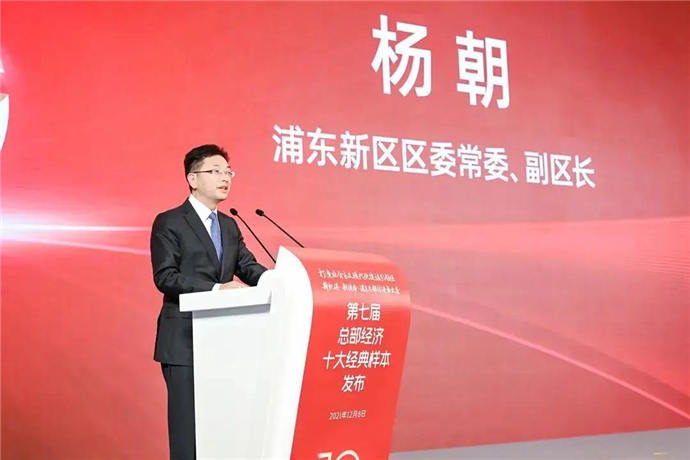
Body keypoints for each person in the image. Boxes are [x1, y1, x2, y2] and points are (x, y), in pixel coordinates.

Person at [150, 144, 267, 459]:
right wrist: (216, 290)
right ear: (192, 178)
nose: (225, 178)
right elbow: (165, 277)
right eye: (215, 171)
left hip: (224, 341)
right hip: (184, 341)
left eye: (228, 172)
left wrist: (280, 281)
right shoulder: (170, 221)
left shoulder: (229, 224)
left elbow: (248, 266)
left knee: (222, 430)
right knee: (188, 434)